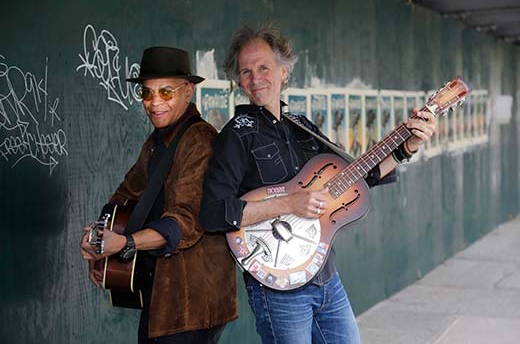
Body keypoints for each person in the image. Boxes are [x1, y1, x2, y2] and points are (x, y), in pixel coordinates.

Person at [199, 26, 436, 344]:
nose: (256, 78)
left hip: (325, 276)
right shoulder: (236, 135)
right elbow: (214, 213)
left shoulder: (302, 127)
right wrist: (289, 203)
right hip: (278, 287)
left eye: (264, 67)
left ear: (283, 72)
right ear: (237, 80)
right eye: (246, 71)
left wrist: (408, 146)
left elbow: (356, 177)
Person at [80, 46, 237, 344]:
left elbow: (185, 221)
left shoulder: (199, 141)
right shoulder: (157, 141)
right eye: (146, 94)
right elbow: (123, 196)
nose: (154, 103)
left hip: (193, 301)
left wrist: (125, 242)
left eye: (166, 92)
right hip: (161, 294)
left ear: (187, 92)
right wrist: (98, 239)